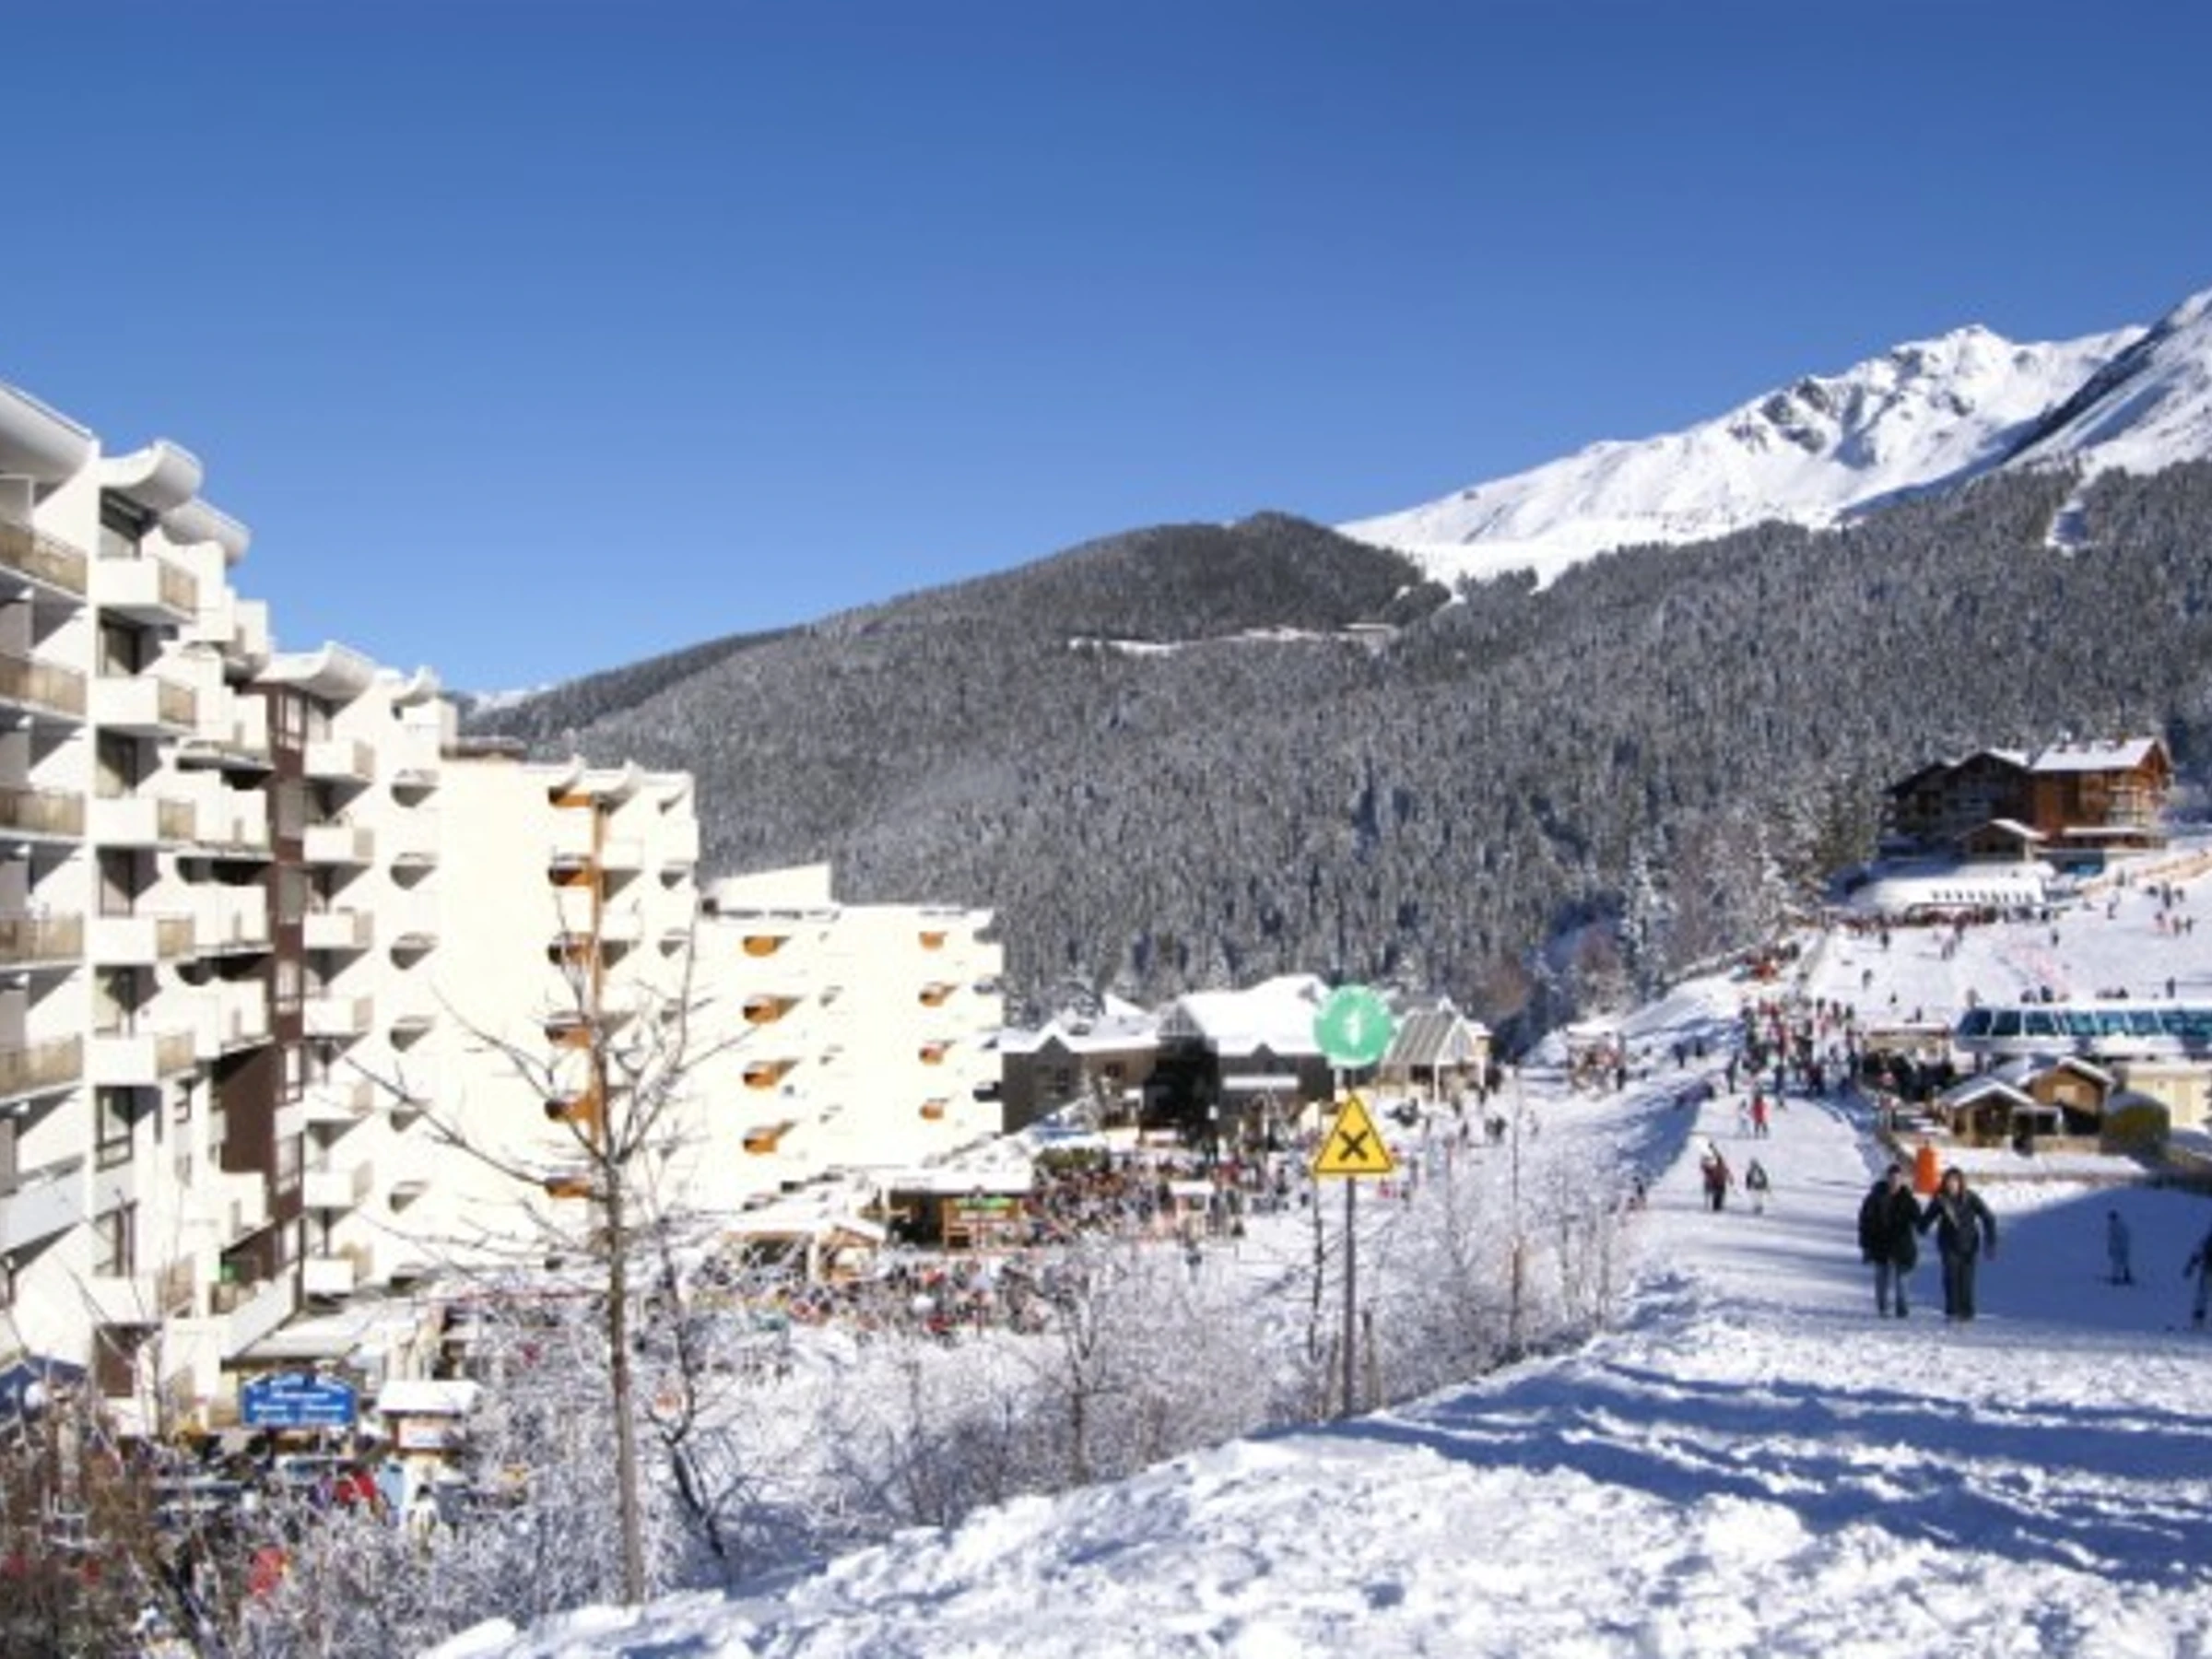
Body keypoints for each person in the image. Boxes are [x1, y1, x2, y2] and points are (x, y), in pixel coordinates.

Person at [1919, 1166, 1998, 1321]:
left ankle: (1967, 1313)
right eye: (1948, 1181)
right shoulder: (1941, 1199)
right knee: (1951, 1278)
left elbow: (1988, 1217)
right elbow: (1927, 1218)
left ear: (1960, 1183)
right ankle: (1952, 1312)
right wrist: (1920, 1227)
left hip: (1969, 1245)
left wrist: (1990, 1241)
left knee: (1967, 1281)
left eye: (1954, 1181)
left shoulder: (1970, 1197)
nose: (1951, 1185)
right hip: (1948, 1245)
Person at [1857, 1162, 1921, 1318]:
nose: (1894, 1182)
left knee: (1902, 1281)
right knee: (1881, 1279)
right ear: (1887, 1179)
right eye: (1892, 1178)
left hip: (1902, 1245)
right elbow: (1865, 1222)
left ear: (1902, 1180)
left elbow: (1918, 1220)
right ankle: (1883, 1309)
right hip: (1880, 1244)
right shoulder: (1875, 1197)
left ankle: (1902, 1310)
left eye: (1898, 1179)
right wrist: (1865, 1244)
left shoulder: (1908, 1199)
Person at [2185, 1218, 2212, 1328]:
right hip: (2207, 1271)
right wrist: (2191, 1266)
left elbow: (2198, 1251)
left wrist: (2191, 1266)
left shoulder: (2208, 1239)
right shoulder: (2208, 1239)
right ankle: (2198, 1322)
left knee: (2202, 1296)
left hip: (2207, 1270)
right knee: (2202, 1296)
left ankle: (2198, 1321)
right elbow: (2198, 1251)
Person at [1700, 1142, 1734, 1212]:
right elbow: (1704, 1167)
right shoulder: (1707, 1156)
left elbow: (1723, 1166)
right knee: (1716, 1193)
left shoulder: (1717, 1156)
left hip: (1719, 1178)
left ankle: (1718, 1206)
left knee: (1720, 1193)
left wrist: (1729, 1176)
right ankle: (1715, 1206)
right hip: (1714, 1178)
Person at [2107, 1209, 2135, 1286]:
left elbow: (2112, 1239)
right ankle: (2127, 1276)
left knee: (2116, 1263)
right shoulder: (2123, 1224)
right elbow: (2127, 1236)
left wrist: (2111, 1248)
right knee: (2125, 1262)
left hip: (2117, 1248)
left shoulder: (2113, 1226)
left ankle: (2115, 1278)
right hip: (2125, 1247)